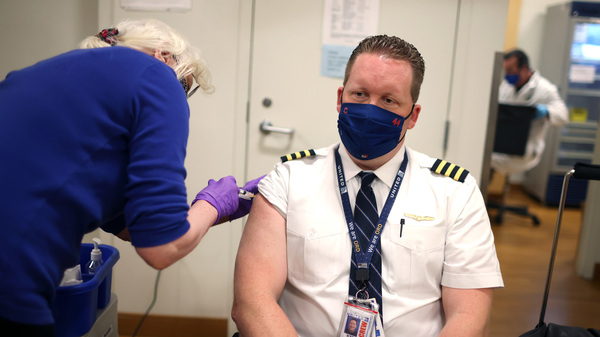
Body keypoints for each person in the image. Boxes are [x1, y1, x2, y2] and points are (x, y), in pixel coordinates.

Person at [0, 18, 261, 336]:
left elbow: (132, 229)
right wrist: (213, 202)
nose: (179, 98)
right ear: (164, 56)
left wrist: (226, 207)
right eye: (183, 87)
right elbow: (161, 248)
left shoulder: (49, 76)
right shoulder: (155, 75)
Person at [232, 35, 504, 337]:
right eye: (360, 94)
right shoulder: (288, 179)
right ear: (340, 98)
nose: (371, 109)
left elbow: (469, 317)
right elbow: (251, 303)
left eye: (388, 100)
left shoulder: (456, 192)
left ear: (412, 116)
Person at [492, 49, 569, 173]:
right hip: (503, 144)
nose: (507, 75)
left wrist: (546, 111)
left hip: (526, 150)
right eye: (505, 71)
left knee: (484, 162)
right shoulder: (506, 85)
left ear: (524, 68)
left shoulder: (545, 89)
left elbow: (563, 116)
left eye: (510, 70)